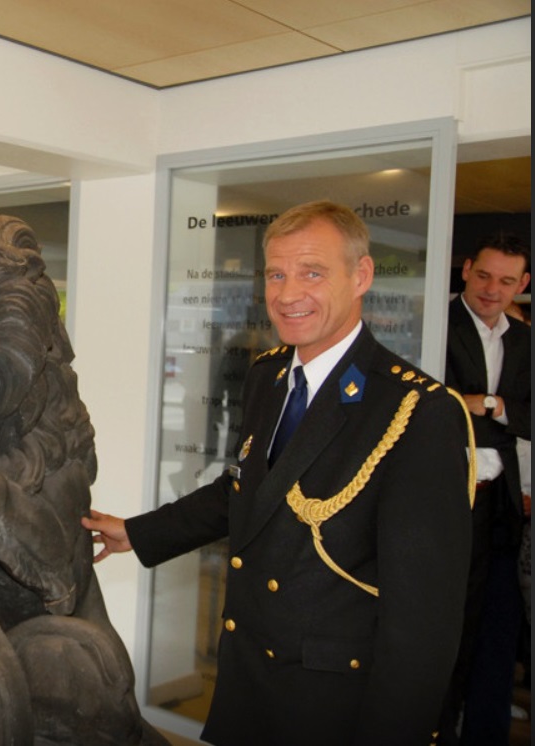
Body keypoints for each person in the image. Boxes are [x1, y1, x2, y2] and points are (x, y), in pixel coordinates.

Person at [82, 201, 474, 746]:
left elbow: (423, 621)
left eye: (312, 273)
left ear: (361, 276)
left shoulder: (415, 411)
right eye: (275, 274)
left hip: (331, 707)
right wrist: (138, 532)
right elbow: (248, 490)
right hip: (249, 685)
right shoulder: (268, 377)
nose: (288, 294)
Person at [439, 232, 531, 745]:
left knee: (496, 632)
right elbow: (434, 408)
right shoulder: (438, 325)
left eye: (506, 281)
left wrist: (492, 405)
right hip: (449, 499)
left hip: (503, 506)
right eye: (484, 276)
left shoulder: (524, 341)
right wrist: (481, 408)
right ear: (466, 270)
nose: (492, 290)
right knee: (449, 630)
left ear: (523, 284)